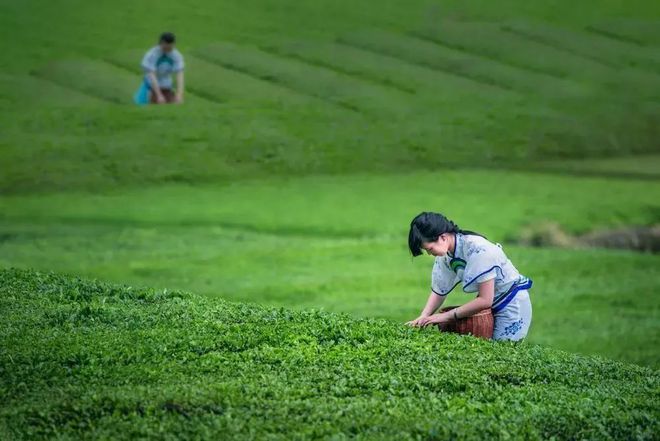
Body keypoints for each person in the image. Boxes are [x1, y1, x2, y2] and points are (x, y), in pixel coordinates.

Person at [405, 212, 533, 341]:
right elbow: (440, 290)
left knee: (504, 353)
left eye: (430, 249)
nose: (429, 253)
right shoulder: (447, 254)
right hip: (491, 305)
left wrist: (446, 316)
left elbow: (485, 300)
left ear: (443, 237)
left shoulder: (479, 250)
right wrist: (423, 317)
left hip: (512, 303)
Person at [134, 32, 185, 105]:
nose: (167, 51)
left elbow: (180, 74)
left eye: (170, 48)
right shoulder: (152, 54)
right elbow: (152, 75)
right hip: (151, 84)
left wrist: (179, 94)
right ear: (160, 44)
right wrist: (159, 95)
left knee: (173, 104)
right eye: (165, 48)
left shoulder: (176, 56)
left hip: (166, 84)